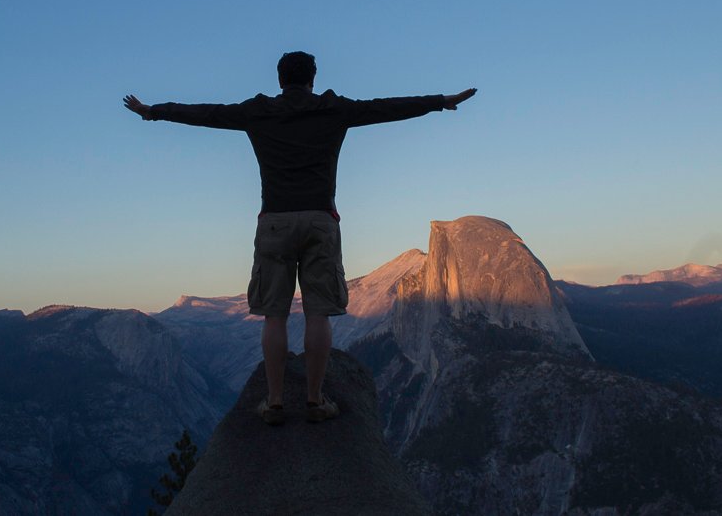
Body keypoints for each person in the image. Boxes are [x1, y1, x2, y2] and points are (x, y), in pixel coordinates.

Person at [124, 51, 476, 425]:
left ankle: (274, 402)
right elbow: (385, 108)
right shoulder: (333, 109)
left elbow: (207, 114)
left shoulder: (258, 112)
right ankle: (314, 400)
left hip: (274, 221)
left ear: (279, 79)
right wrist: (441, 102)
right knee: (317, 312)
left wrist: (153, 111)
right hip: (320, 220)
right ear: (313, 78)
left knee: (274, 315)